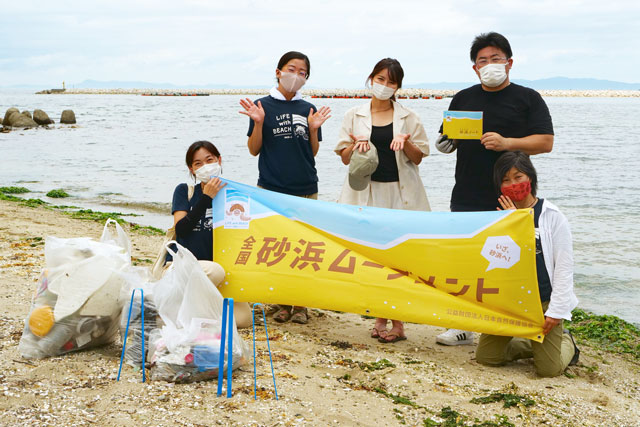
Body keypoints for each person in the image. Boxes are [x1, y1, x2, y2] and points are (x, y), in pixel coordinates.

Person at [435, 32, 554, 346]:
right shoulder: (463, 97)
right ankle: (462, 324)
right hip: (467, 191)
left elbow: (546, 142)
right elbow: (447, 137)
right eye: (482, 61)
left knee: (511, 258)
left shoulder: (528, 98)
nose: (489, 65)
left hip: (514, 193)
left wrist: (507, 143)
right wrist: (446, 141)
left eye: (496, 59)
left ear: (509, 63)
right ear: (475, 68)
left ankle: (509, 321)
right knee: (464, 258)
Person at [334, 58, 430, 343]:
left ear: (398, 86)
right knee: (372, 257)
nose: (384, 86)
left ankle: (398, 322)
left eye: (391, 81)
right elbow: (343, 157)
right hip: (367, 192)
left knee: (398, 258)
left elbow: (419, 157)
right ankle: (378, 315)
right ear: (371, 79)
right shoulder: (354, 114)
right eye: (380, 79)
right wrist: (355, 146)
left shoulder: (408, 117)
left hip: (399, 194)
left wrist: (407, 142)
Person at [239, 51, 331, 324]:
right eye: (292, 69)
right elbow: (254, 150)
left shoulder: (307, 108)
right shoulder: (262, 105)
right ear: (278, 71)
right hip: (271, 188)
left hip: (305, 186)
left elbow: (311, 153)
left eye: (302, 72)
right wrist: (258, 122)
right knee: (277, 246)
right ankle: (281, 302)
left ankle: (301, 305)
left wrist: (314, 129)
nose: (296, 76)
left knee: (304, 248)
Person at [476, 151, 579, 376]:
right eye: (505, 180)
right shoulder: (498, 215)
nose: (513, 184)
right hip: (508, 301)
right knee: (486, 358)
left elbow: (563, 267)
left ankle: (567, 341)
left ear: (530, 178)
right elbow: (493, 259)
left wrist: (556, 310)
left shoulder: (552, 216)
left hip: (541, 302)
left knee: (548, 370)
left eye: (518, 177)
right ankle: (532, 345)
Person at [168, 140, 252, 328]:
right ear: (191, 169)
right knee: (214, 270)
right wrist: (206, 198)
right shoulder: (185, 191)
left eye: (209, 160)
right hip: (184, 266)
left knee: (243, 319)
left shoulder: (234, 195)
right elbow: (181, 229)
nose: (205, 167)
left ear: (219, 160)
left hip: (216, 274)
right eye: (198, 163)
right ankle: (185, 312)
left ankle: (192, 312)